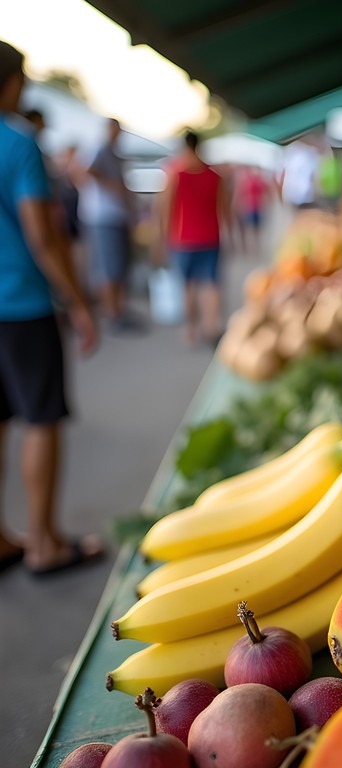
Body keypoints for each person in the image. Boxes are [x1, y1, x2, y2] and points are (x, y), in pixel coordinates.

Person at [0, 40, 102, 576]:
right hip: (20, 306)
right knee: (40, 419)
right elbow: (42, 236)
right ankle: (43, 543)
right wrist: (80, 302)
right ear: (13, 82)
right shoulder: (18, 143)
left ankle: (2, 539)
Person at [156, 130, 228, 346]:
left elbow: (165, 209)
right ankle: (211, 326)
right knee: (211, 284)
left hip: (183, 239)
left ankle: (190, 329)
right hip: (210, 237)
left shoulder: (175, 174)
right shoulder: (214, 176)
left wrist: (162, 239)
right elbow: (224, 208)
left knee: (188, 285)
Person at [79, 117, 139, 330]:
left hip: (115, 217)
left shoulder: (113, 152)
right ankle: (111, 313)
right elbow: (86, 171)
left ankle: (118, 310)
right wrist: (113, 187)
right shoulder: (100, 148)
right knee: (108, 266)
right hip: (102, 218)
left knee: (118, 265)